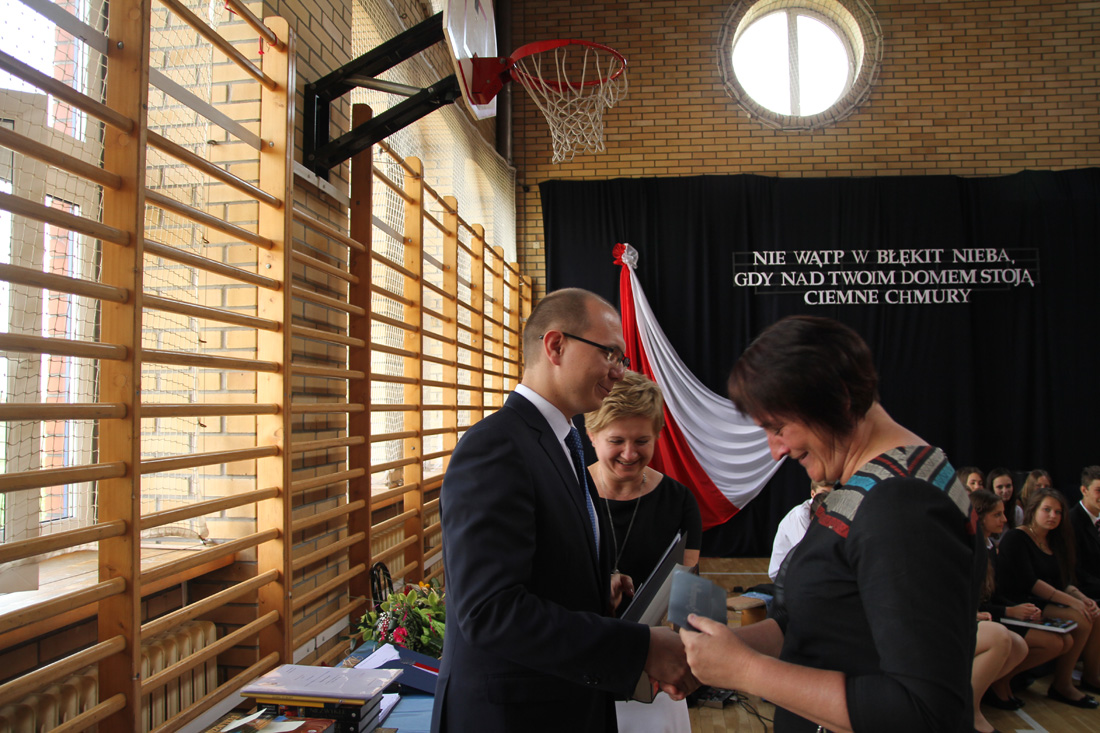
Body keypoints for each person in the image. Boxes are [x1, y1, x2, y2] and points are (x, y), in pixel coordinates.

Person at [679, 315, 980, 733]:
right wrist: (710, 652)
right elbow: (817, 622)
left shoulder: (900, 506)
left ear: (837, 399)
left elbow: (921, 711)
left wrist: (745, 671)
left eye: (778, 428)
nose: (776, 451)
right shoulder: (882, 480)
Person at [431, 288, 696, 733]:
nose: (619, 372)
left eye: (622, 358)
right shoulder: (496, 447)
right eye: (609, 354)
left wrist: (594, 588)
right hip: (511, 718)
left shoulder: (564, 443)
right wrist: (639, 647)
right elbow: (490, 611)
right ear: (555, 345)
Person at [584, 370, 703, 732]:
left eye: (642, 441)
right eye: (616, 440)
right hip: (581, 667)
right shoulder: (569, 492)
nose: (629, 453)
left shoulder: (679, 501)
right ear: (591, 435)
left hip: (653, 677)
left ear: (658, 436)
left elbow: (690, 594)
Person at [996, 487, 1100, 707]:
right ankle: (1062, 684)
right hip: (1020, 601)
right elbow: (1031, 583)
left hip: (1046, 600)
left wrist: (1082, 598)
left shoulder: (1057, 540)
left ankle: (1091, 676)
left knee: (1094, 614)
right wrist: (1073, 602)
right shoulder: (1017, 537)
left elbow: (1065, 581)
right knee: (1081, 619)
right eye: (1047, 510)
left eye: (1058, 512)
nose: (1053, 516)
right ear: (1033, 510)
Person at [969, 489, 1069, 718]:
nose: (1005, 519)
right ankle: (991, 687)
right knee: (1050, 643)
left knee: (1062, 640)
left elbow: (995, 593)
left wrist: (1018, 609)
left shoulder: (989, 545)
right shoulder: (974, 550)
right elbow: (974, 603)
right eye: (997, 515)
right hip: (986, 616)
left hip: (995, 612)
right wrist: (1009, 611)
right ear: (979, 516)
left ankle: (1000, 681)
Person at [768, 480, 833, 581]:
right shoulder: (801, 514)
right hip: (783, 574)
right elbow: (806, 553)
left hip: (803, 568)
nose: (827, 498)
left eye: (831, 495)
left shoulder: (830, 511)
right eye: (823, 493)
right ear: (813, 494)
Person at [1069, 466, 1100, 600]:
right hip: (1086, 592)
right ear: (1084, 490)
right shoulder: (1071, 521)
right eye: (1098, 490)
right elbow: (1076, 570)